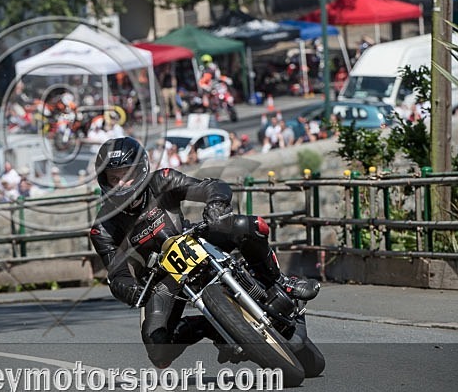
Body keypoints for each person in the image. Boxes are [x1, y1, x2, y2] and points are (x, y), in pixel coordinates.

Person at [88, 137, 320, 369]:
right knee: (158, 352)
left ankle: (281, 281)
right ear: (104, 181)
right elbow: (117, 273)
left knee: (248, 226)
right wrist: (129, 289)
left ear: (140, 170)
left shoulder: (162, 180)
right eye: (114, 178)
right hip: (162, 278)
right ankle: (211, 326)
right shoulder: (103, 227)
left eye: (126, 174)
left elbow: (209, 186)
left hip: (195, 240)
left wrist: (216, 203)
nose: (121, 183)